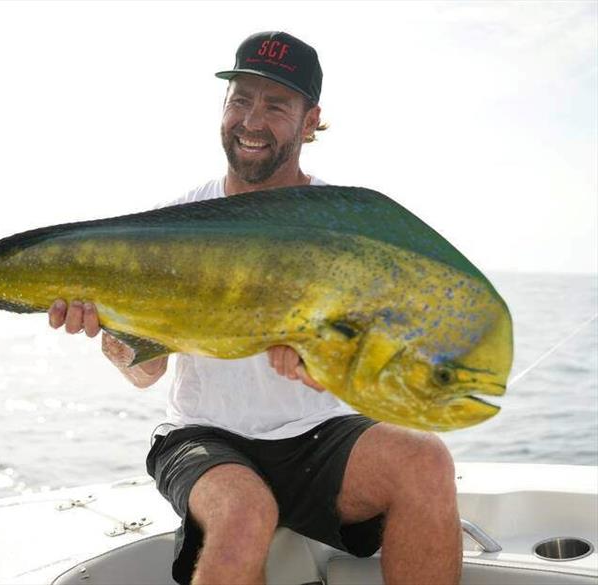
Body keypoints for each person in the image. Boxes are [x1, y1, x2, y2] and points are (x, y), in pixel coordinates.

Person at [48, 31, 462, 585]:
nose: (252, 120)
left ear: (310, 120)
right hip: (204, 435)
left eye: (275, 105)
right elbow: (145, 373)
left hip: (320, 432)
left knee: (425, 460)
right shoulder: (170, 224)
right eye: (240, 100)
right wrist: (113, 337)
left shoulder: (342, 227)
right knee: (245, 515)